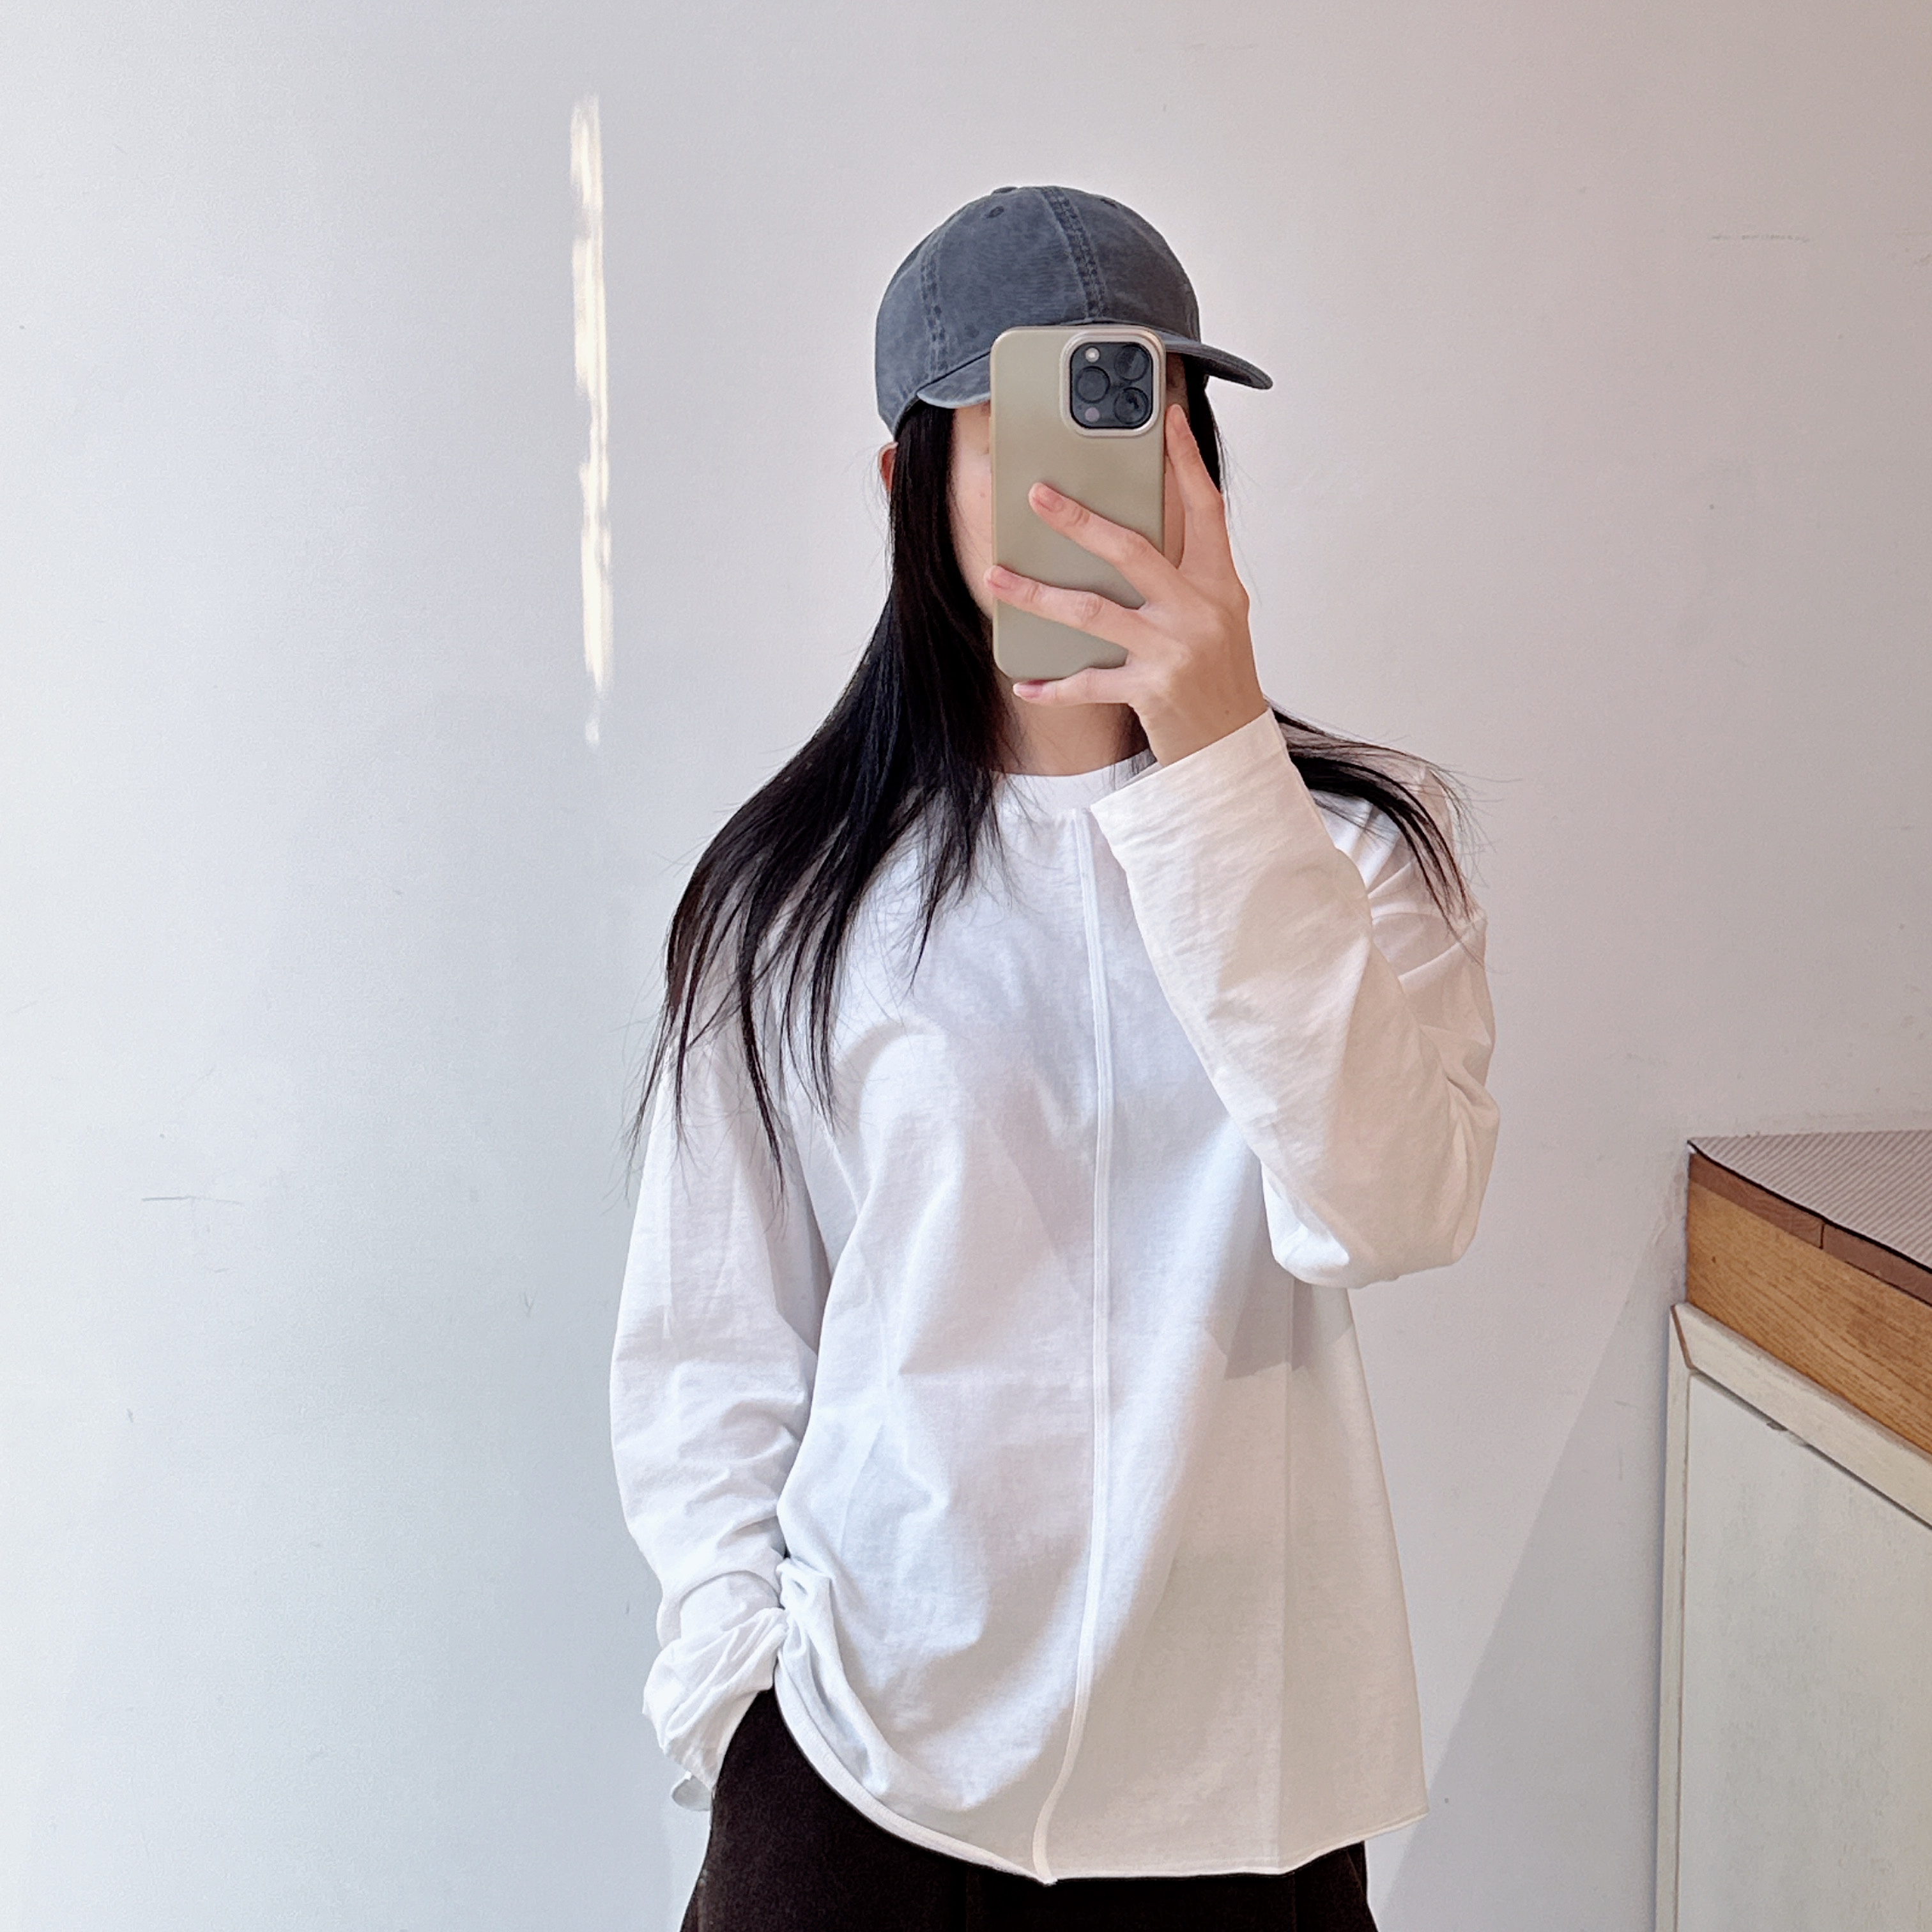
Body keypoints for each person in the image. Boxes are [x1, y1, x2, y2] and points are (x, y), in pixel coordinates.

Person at [610, 184, 1501, 1931]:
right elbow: (710, 1349)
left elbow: (1388, 1209)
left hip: (1240, 1798)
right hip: (858, 1783)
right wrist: (740, 1710)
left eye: (1135, 423)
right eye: (1029, 436)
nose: (1088, 498)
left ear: (1203, 463)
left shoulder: (1357, 852)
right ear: (905, 484)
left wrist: (1221, 763)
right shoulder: (793, 898)